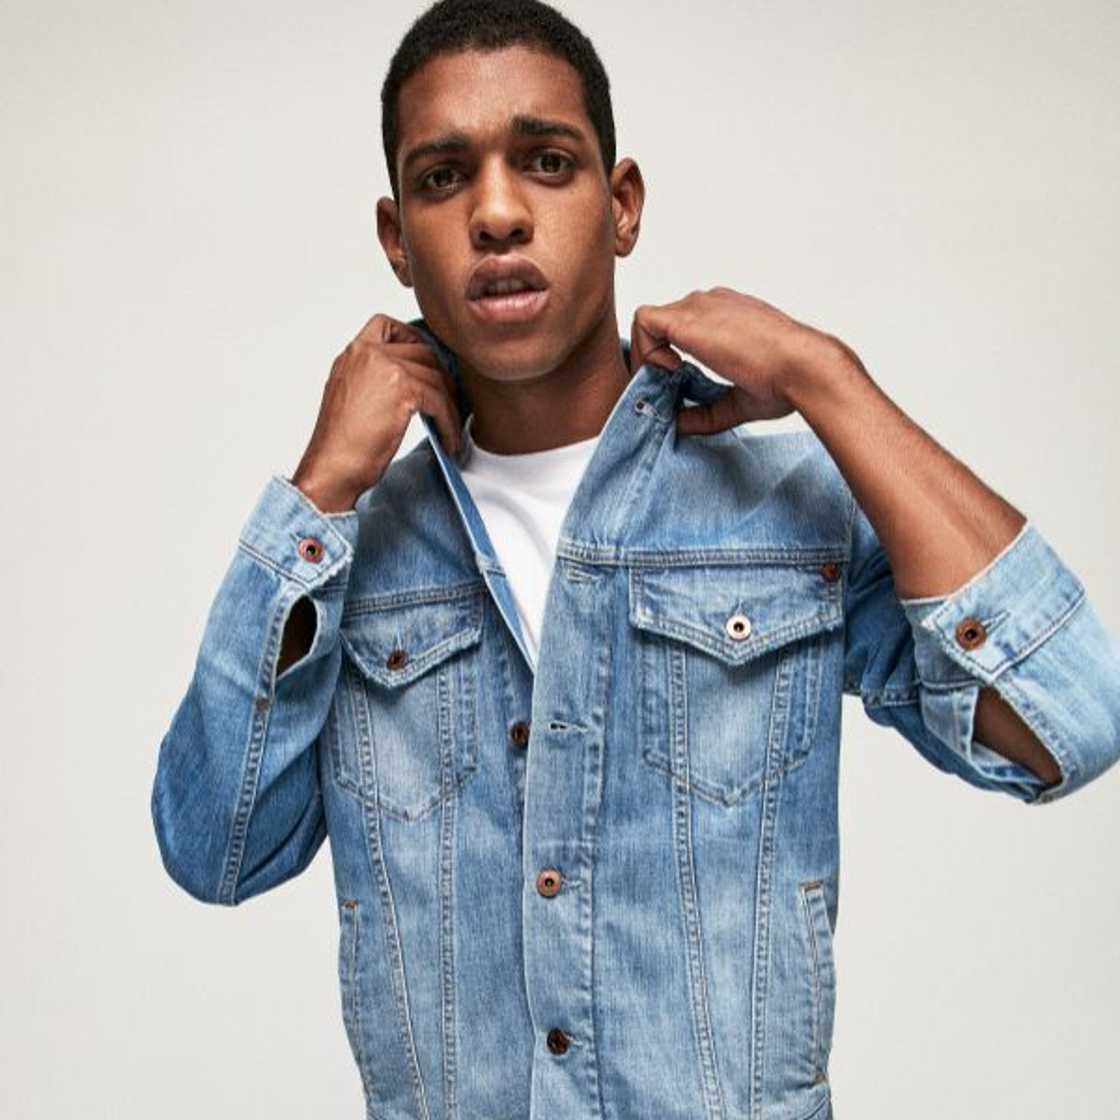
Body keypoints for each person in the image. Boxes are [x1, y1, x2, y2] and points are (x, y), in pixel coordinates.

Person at [149, 1, 1120, 1116]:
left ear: (621, 206)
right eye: (444, 178)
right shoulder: (347, 555)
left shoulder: (778, 511)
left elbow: (1068, 722)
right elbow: (216, 849)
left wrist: (830, 379)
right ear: (396, 236)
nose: (497, 213)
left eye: (546, 162)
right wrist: (319, 491)